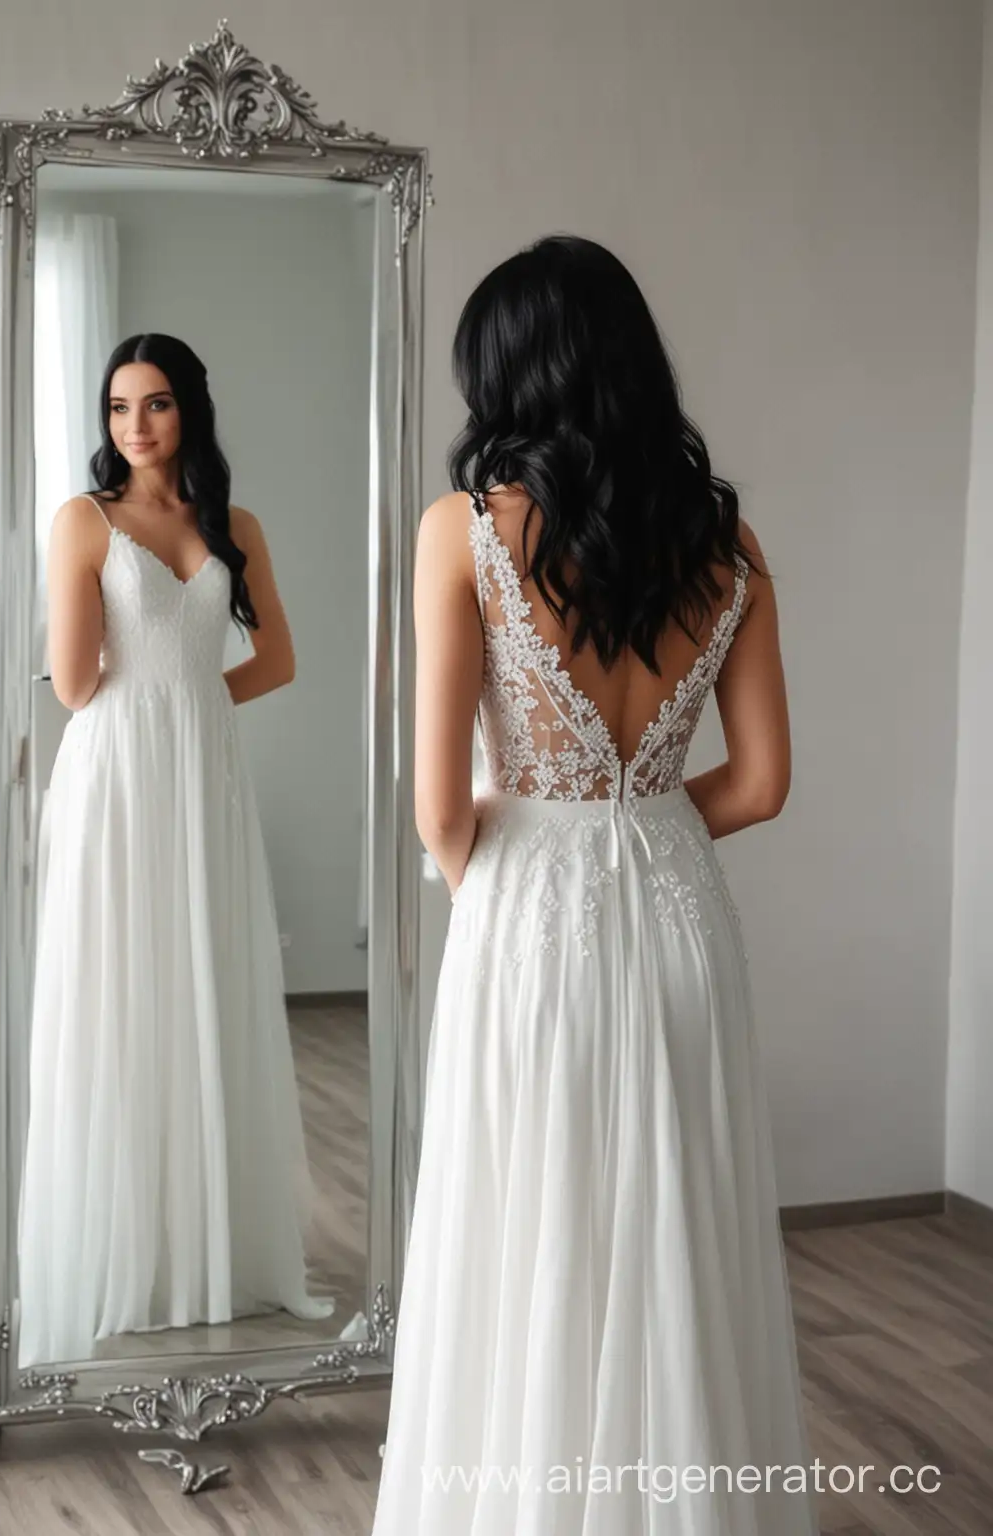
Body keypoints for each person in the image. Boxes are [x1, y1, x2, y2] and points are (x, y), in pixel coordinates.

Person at [372, 238, 816, 1533]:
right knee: (680, 1232)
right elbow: (765, 781)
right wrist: (646, 838)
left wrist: (515, 882)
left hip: (528, 910)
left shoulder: (463, 531)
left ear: (510, 371)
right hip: (678, 906)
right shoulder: (724, 538)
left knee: (529, 1233)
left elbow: (439, 808)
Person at [16, 333, 334, 1366]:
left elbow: (276, 659)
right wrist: (164, 700)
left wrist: (194, 702)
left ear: (189, 408)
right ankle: (120, 1254)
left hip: (203, 775)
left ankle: (212, 1253)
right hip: (114, 776)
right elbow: (72, 686)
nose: (135, 426)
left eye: (154, 404)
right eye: (117, 408)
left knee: (202, 982)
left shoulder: (233, 525)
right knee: (124, 987)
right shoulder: (84, 521)